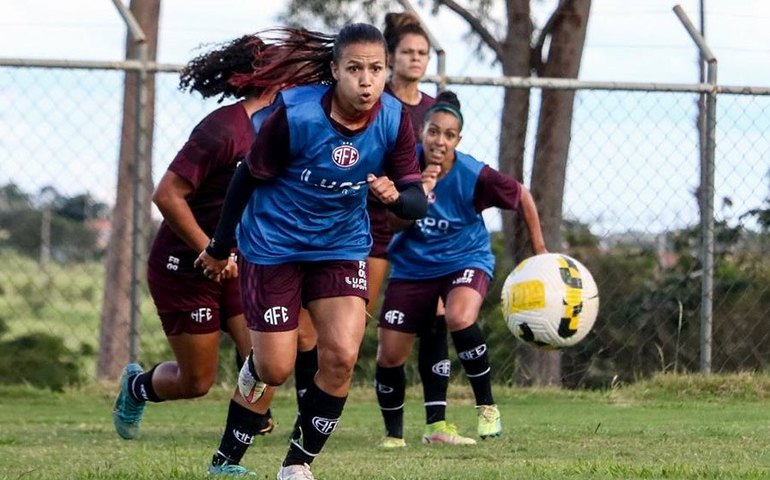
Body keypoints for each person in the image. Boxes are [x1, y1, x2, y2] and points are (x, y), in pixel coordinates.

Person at [195, 23, 428, 480]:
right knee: (275, 367)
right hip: (274, 245)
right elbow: (246, 178)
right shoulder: (296, 115)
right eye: (355, 69)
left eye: (376, 69)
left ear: (387, 73)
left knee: (341, 356)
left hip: (340, 245)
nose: (367, 81)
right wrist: (220, 248)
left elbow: (415, 199)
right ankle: (225, 461)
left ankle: (297, 466)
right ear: (334, 70)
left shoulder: (393, 118)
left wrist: (394, 197)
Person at [110, 34, 315, 476]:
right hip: (183, 267)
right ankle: (138, 387)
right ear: (277, 84)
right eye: (303, 81)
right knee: (196, 381)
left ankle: (227, 459)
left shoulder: (289, 130)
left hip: (240, 266)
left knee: (267, 358)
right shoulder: (224, 129)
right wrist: (209, 250)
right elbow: (166, 195)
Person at [375, 90, 548, 445]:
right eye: (434, 132)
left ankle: (486, 407)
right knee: (390, 354)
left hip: (465, 260)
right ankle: (397, 435)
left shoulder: (474, 174)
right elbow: (393, 225)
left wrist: (540, 250)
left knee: (459, 317)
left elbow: (522, 195)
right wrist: (418, 195)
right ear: (422, 131)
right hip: (412, 266)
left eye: (449, 135)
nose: (440, 141)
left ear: (458, 139)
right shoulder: (405, 167)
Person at [372, 12, 470, 447]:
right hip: (372, 224)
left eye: (422, 53)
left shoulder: (434, 111)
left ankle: (436, 425)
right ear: (390, 57)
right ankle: (317, 409)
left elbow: (450, 163)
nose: (415, 59)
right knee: (350, 325)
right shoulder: (374, 100)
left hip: (422, 235)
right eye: (408, 52)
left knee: (435, 320)